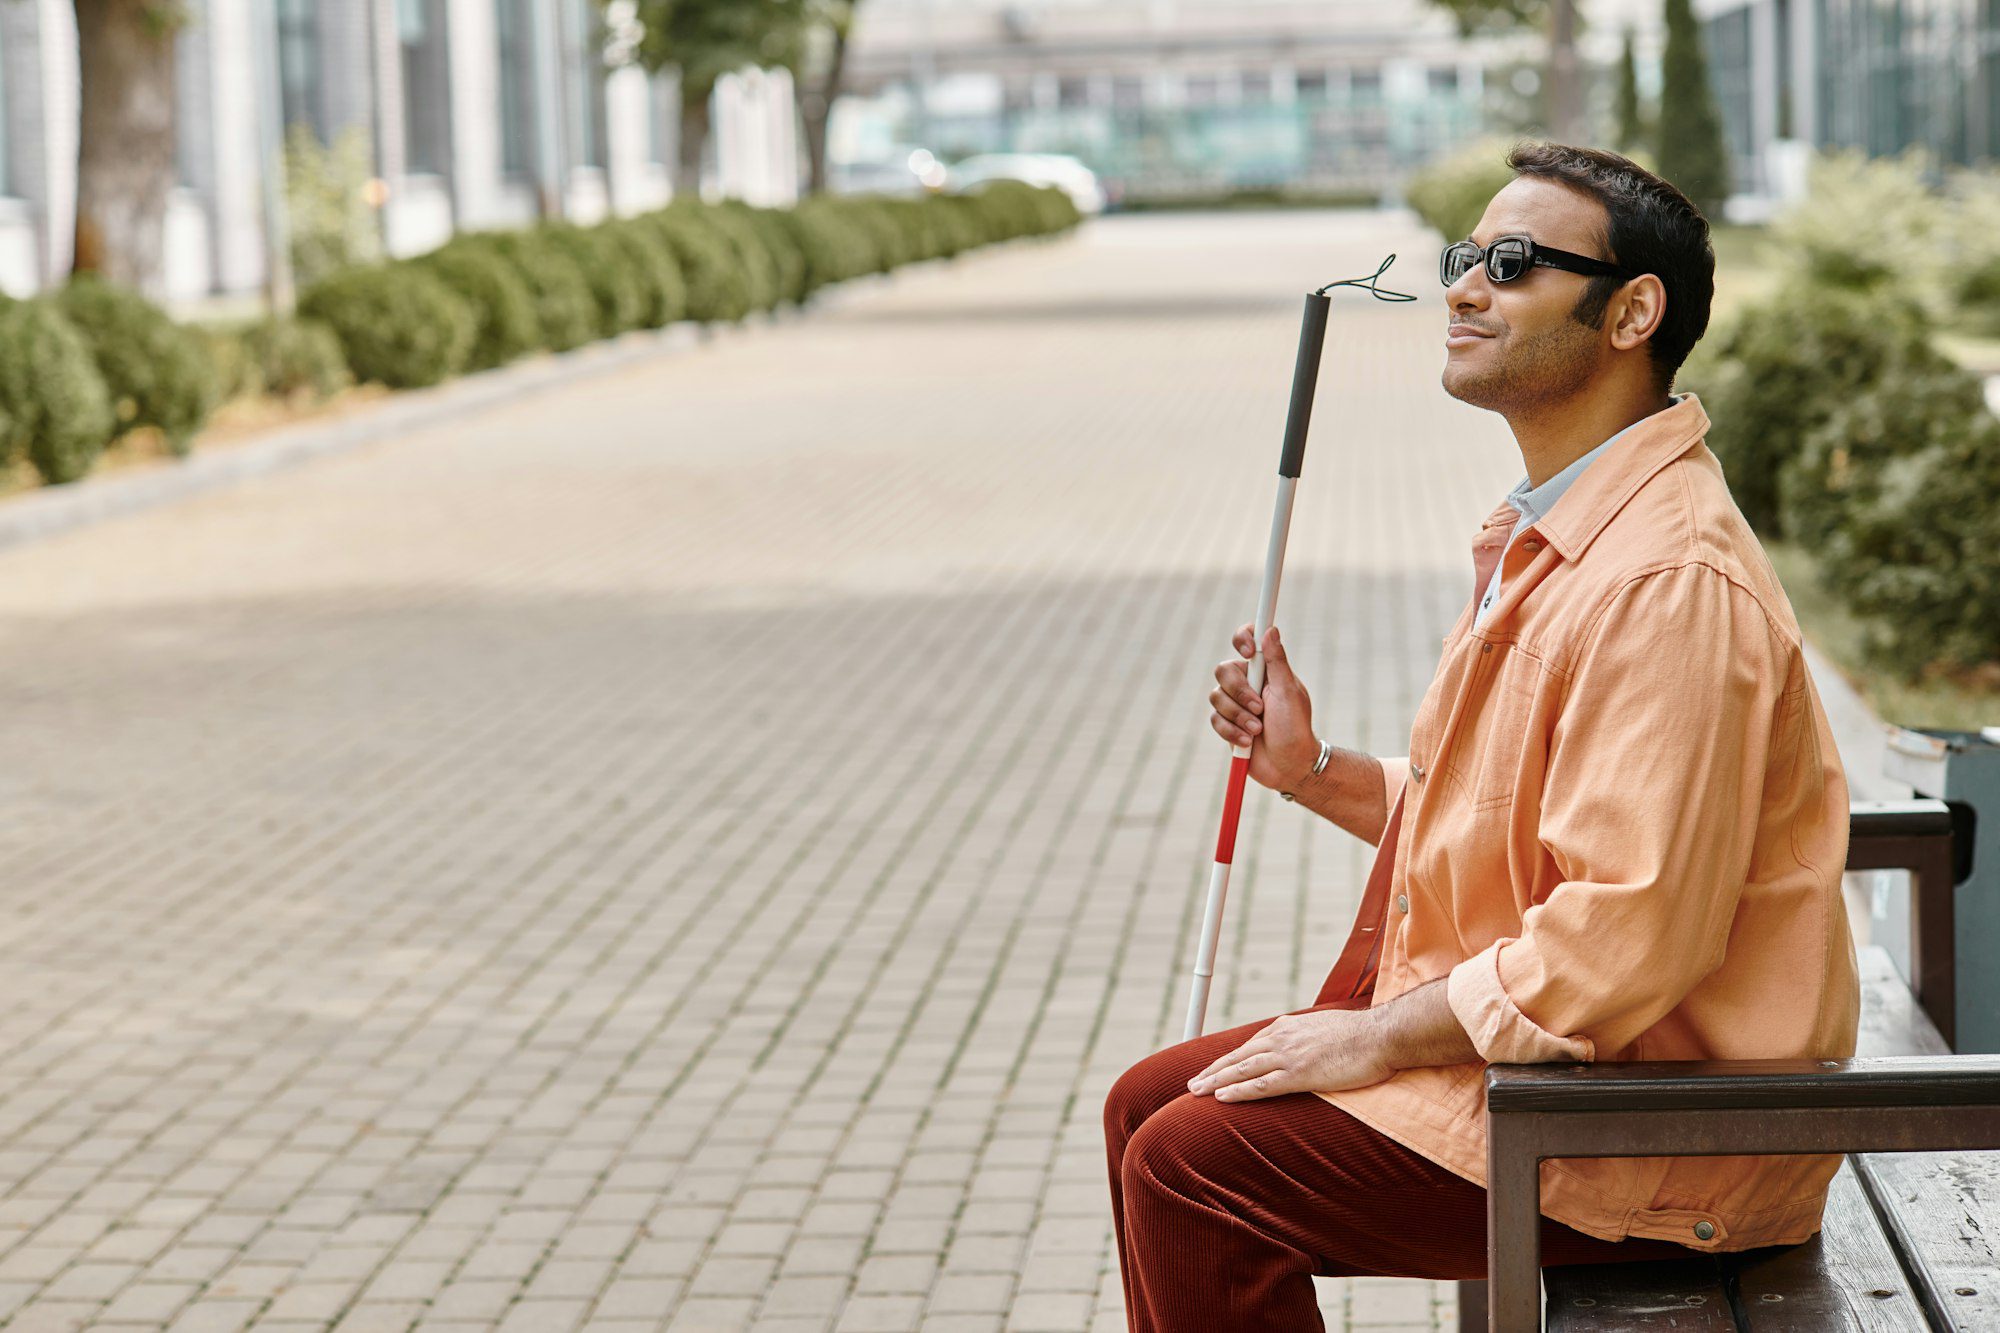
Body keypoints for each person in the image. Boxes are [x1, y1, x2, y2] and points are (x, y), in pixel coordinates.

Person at [1102, 142, 1859, 1331]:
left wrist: (1373, 1037)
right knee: (1147, 1105)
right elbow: (1510, 815)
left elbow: (1623, 932)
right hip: (1575, 1069)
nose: (1459, 288)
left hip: (1658, 1131)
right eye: (1464, 258)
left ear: (1630, 312)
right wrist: (1305, 770)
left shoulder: (1663, 581)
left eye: (1508, 264)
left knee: (1193, 1166)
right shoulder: (1562, 530)